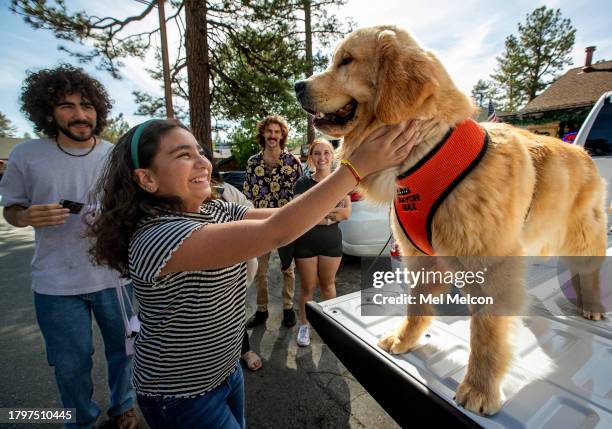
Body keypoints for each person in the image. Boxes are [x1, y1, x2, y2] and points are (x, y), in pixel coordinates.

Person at [87, 118, 421, 429]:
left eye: (200, 152)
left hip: (225, 369)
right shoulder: (158, 236)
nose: (204, 162)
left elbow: (280, 216)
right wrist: (354, 167)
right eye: (183, 155)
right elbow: (276, 231)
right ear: (147, 178)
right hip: (179, 393)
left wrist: (347, 189)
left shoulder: (214, 208)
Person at [0, 65, 138, 429]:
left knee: (124, 352)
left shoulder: (115, 154)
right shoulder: (26, 155)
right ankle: (79, 419)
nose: (80, 114)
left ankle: (123, 406)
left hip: (114, 277)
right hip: (56, 283)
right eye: (67, 106)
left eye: (87, 106)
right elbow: (11, 208)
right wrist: (26, 216)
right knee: (70, 362)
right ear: (48, 111)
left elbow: (134, 205)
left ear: (98, 111)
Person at [243, 115, 302, 328]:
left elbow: (300, 196)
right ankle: (262, 310)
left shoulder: (292, 162)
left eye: (277, 132)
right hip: (261, 226)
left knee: (288, 268)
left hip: (286, 224)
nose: (273, 136)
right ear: (263, 134)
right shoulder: (252, 163)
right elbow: (247, 196)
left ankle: (287, 308)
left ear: (282, 135)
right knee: (260, 269)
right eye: (269, 131)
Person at [293, 139, 352, 346]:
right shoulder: (302, 183)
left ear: (332, 156)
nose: (322, 158)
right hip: (305, 243)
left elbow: (346, 213)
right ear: (311, 157)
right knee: (307, 288)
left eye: (326, 153)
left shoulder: (340, 181)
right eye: (317, 153)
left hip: (331, 243)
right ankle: (304, 326)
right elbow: (300, 215)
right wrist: (329, 215)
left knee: (328, 285)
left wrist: (318, 215)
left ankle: (330, 327)